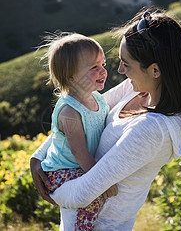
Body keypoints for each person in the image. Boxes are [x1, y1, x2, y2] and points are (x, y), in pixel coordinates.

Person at [30, 9, 181, 231]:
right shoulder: (137, 87)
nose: (119, 70)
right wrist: (38, 157)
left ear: (155, 70)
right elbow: (78, 111)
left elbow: (82, 194)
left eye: (126, 64)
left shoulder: (153, 128)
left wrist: (49, 187)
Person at [33, 33, 118, 231]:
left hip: (80, 166)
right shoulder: (69, 111)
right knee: (92, 194)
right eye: (94, 68)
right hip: (59, 172)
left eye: (103, 64)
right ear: (71, 77)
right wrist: (102, 181)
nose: (103, 71)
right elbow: (80, 152)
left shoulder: (98, 99)